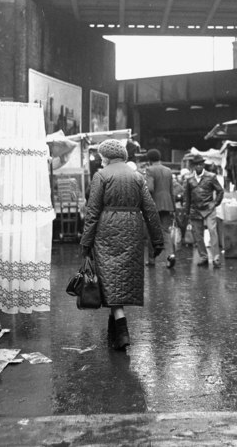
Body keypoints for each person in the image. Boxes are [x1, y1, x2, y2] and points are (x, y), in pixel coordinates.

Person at [80, 139, 164, 351]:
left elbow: (92, 211)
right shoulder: (137, 176)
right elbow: (150, 209)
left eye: (101, 157)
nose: (100, 160)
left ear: (106, 157)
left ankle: (123, 332)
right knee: (120, 279)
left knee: (110, 277)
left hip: (106, 230)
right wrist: (157, 240)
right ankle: (114, 332)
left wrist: (86, 241)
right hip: (133, 229)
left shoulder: (101, 175)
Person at [184, 154, 224, 267]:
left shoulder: (211, 176)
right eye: (197, 165)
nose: (199, 167)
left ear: (203, 165)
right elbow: (187, 197)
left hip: (209, 208)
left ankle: (216, 257)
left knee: (212, 231)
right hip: (195, 209)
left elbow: (220, 191)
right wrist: (187, 213)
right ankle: (203, 256)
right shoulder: (189, 179)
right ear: (194, 166)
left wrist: (215, 203)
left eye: (201, 164)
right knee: (198, 235)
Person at [144, 148, 177, 268]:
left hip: (154, 205)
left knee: (151, 232)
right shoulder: (168, 170)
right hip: (168, 205)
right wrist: (173, 208)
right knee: (166, 231)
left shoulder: (149, 170)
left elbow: (150, 188)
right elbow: (171, 190)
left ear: (149, 159)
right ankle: (170, 255)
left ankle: (152, 259)